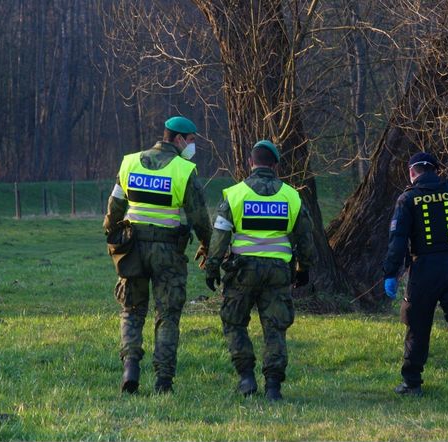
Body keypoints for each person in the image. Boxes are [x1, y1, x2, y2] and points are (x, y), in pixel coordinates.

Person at [103, 116, 212, 394]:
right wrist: (207, 245)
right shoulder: (183, 170)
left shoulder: (130, 162)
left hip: (133, 249)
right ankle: (163, 381)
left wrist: (113, 235)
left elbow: (115, 205)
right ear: (177, 139)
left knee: (132, 310)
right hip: (168, 253)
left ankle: (130, 369)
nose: (192, 145)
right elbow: (199, 217)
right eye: (191, 140)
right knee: (167, 315)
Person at [204, 140, 316, 401]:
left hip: (242, 271)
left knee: (234, 322)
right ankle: (274, 387)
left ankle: (246, 378)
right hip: (278, 272)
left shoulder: (234, 194)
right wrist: (304, 268)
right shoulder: (291, 196)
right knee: (275, 327)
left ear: (250, 163)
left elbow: (219, 236)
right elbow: (306, 238)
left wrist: (212, 267)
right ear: (275, 165)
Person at [382, 152, 448, 405]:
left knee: (418, 325)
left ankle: (412, 383)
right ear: (436, 171)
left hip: (424, 270)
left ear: (412, 172)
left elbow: (397, 241)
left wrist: (390, 273)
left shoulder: (408, 198)